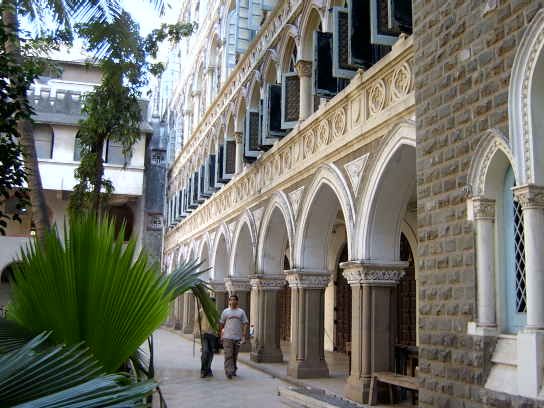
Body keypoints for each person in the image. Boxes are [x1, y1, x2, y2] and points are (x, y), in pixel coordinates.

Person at [219, 294, 249, 379]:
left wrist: (243, 335)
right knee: (228, 355)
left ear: (237, 301)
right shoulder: (225, 312)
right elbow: (221, 323)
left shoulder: (241, 312)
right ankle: (229, 371)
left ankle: (234, 369)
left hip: (237, 337)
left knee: (234, 355)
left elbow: (245, 323)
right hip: (227, 337)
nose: (232, 301)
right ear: (229, 302)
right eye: (231, 300)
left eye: (234, 300)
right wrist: (221, 334)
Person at [195, 297, 219, 378]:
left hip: (213, 335)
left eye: (213, 303)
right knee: (205, 352)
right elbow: (197, 321)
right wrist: (198, 331)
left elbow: (217, 323)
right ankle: (203, 370)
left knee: (211, 353)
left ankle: (208, 369)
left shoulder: (215, 312)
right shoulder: (202, 311)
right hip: (204, 334)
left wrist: (217, 333)